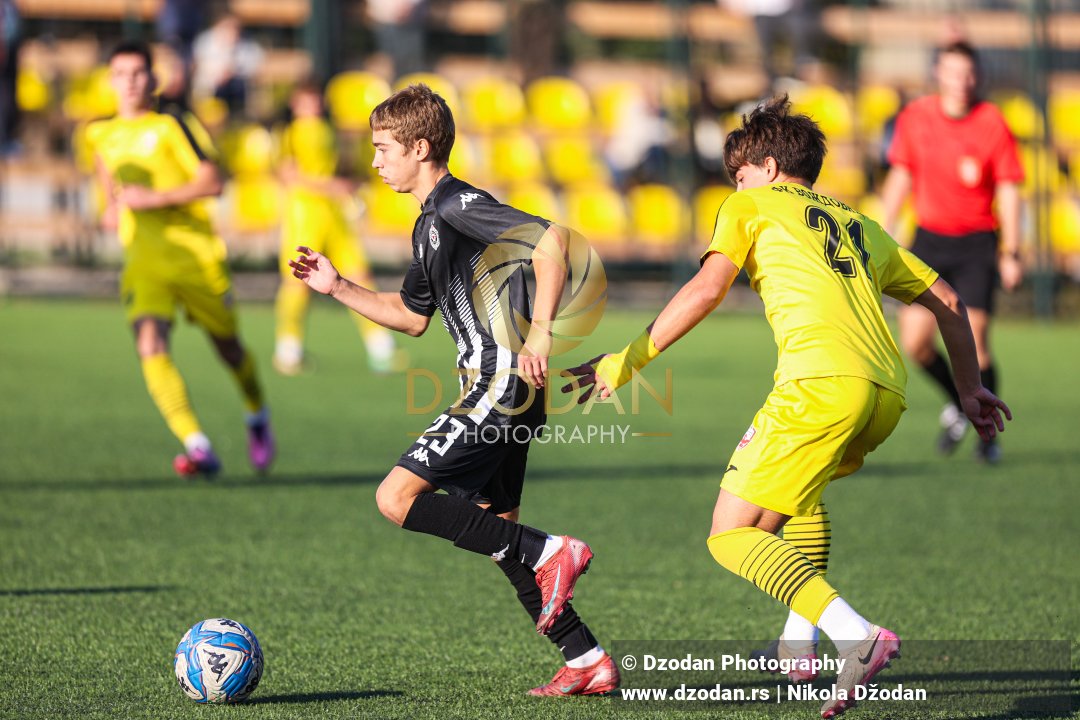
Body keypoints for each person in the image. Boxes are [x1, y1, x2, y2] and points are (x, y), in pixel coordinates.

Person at [566, 97, 1010, 718]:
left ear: (767, 166)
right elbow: (950, 301)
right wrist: (968, 389)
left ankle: (855, 636)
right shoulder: (859, 222)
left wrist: (624, 361)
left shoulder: (749, 204)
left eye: (739, 174)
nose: (734, 186)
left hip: (820, 386)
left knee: (731, 536)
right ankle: (797, 649)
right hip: (885, 394)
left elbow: (707, 287)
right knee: (799, 500)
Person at [287, 84, 619, 697]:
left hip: (499, 382)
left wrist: (541, 335)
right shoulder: (429, 226)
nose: (376, 162)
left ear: (421, 147)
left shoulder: (456, 203)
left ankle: (553, 550)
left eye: (384, 149)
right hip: (507, 391)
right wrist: (338, 288)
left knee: (396, 498)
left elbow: (551, 243)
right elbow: (411, 315)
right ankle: (587, 658)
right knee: (498, 536)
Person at [87, 40, 274, 477]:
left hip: (195, 255)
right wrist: (112, 208)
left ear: (152, 78)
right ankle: (197, 444)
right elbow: (105, 178)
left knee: (228, 349)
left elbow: (213, 182)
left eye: (138, 73)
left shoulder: (174, 122)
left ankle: (256, 413)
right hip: (144, 260)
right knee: (149, 344)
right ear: (110, 80)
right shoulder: (99, 132)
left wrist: (155, 198)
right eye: (120, 74)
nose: (130, 83)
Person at [880, 40, 1023, 464]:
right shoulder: (916, 117)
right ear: (938, 74)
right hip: (929, 241)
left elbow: (1011, 190)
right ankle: (961, 405)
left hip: (978, 243)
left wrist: (1012, 250)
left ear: (978, 76)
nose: (962, 82)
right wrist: (880, 232)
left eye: (969, 73)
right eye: (953, 72)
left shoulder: (992, 122)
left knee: (976, 345)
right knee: (915, 343)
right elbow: (900, 177)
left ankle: (987, 436)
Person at [272, 81, 404, 375]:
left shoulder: (328, 131)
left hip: (334, 213)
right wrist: (336, 186)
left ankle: (381, 348)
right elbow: (289, 176)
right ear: (294, 103)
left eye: (316, 99)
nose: (313, 105)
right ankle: (288, 351)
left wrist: (347, 184)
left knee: (359, 275)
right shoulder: (289, 133)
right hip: (304, 212)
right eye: (306, 100)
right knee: (297, 283)